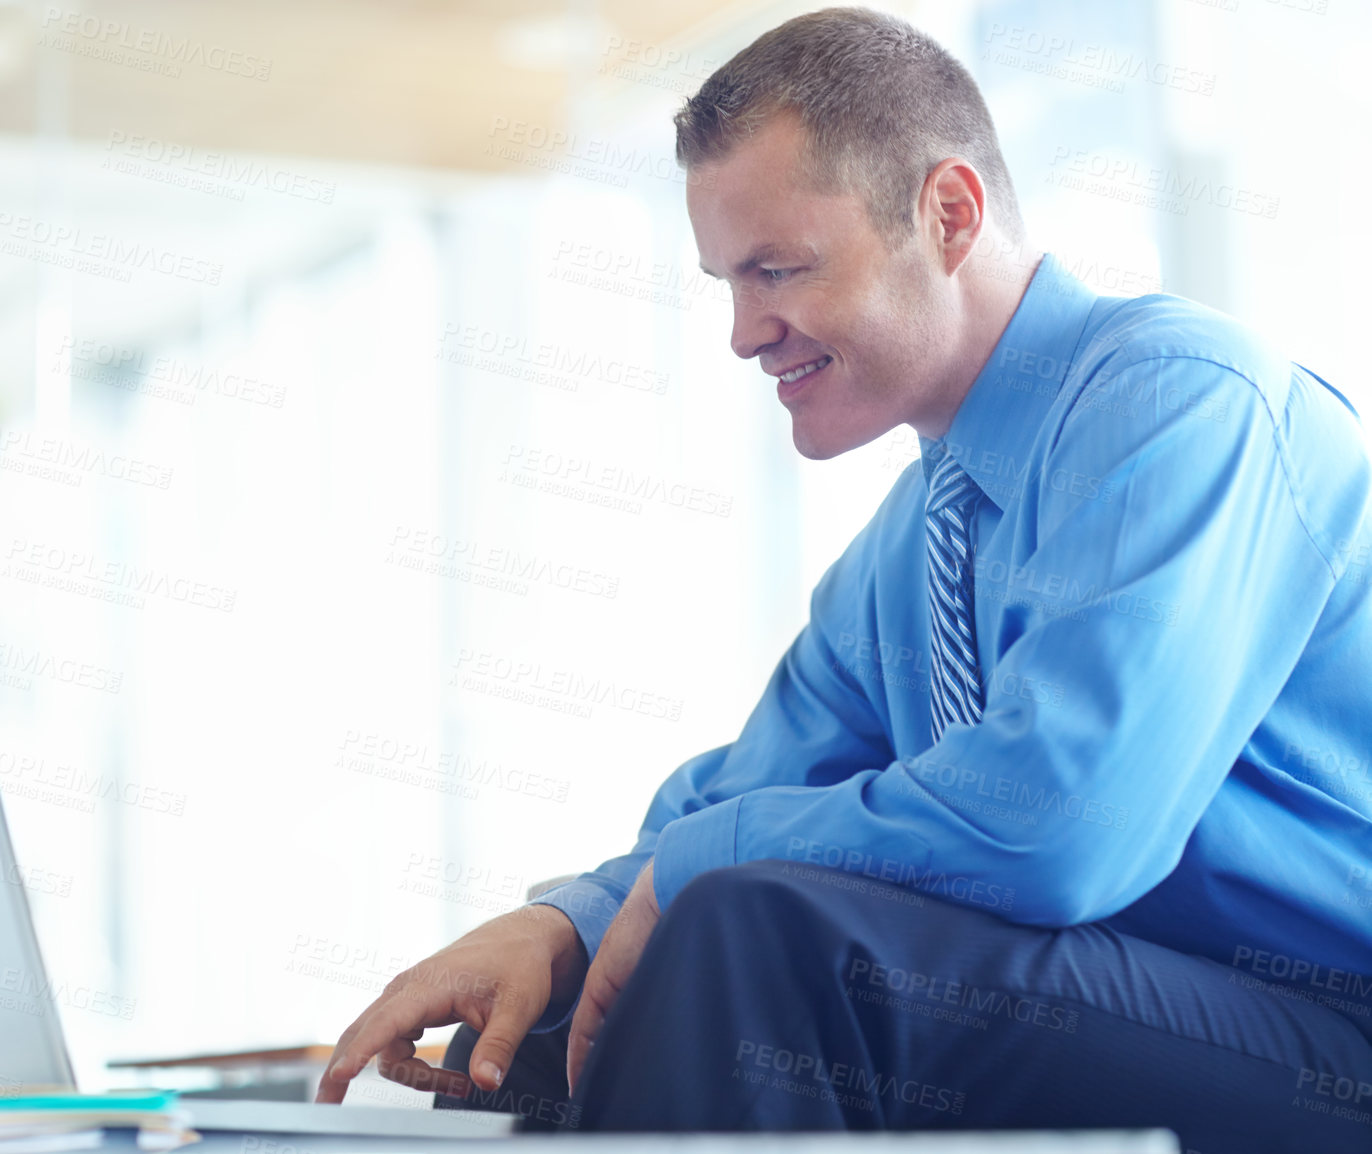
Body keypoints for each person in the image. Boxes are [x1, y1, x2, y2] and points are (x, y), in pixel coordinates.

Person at [316, 7, 1372, 1148]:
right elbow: (743, 796)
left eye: (777, 268)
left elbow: (1061, 825)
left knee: (757, 934)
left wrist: (688, 870)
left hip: (1331, 1034)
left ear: (949, 213)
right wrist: (568, 922)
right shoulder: (915, 537)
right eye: (726, 278)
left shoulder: (1182, 405)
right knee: (558, 1021)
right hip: (1142, 1002)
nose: (738, 332)